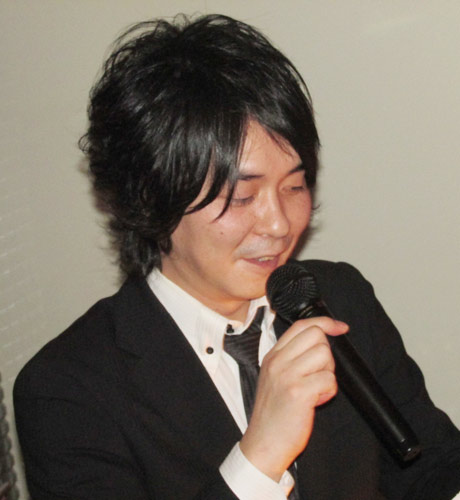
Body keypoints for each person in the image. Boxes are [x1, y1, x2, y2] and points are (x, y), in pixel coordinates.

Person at [13, 14, 460, 500]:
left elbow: (432, 468)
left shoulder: (341, 297)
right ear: (150, 198)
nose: (279, 224)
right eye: (241, 197)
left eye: (294, 186)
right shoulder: (68, 388)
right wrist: (260, 456)